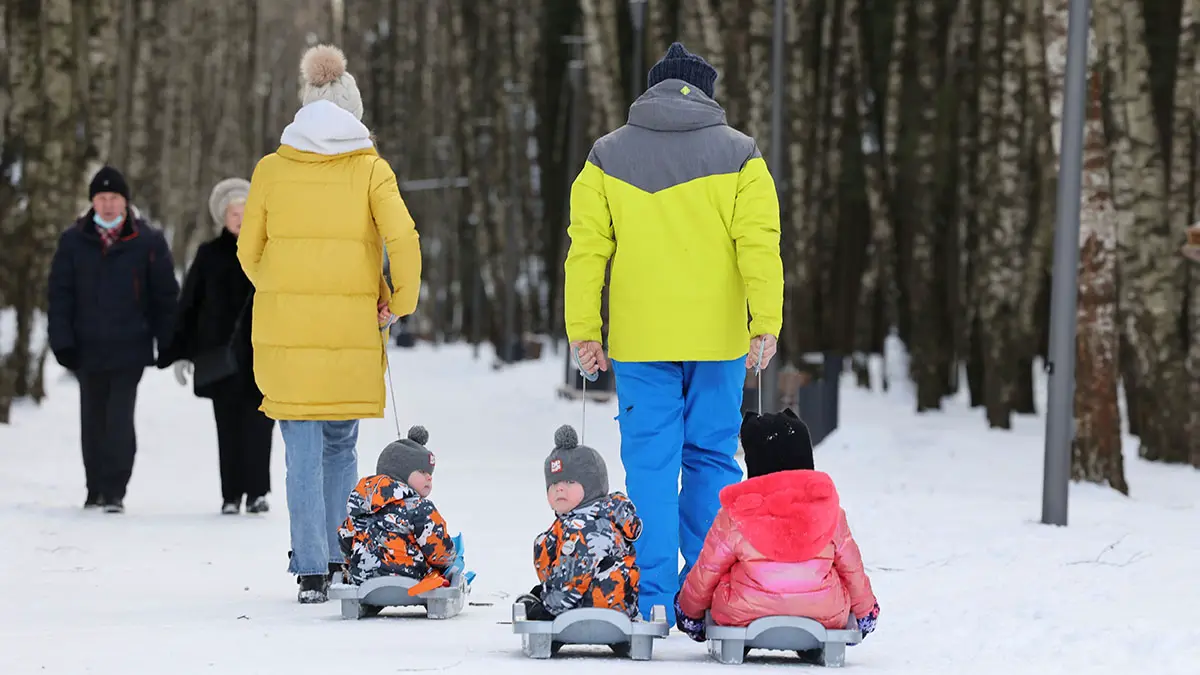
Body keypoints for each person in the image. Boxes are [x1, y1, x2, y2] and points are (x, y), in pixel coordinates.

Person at [562, 42, 784, 622]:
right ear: (705, 93)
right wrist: (766, 321)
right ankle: (706, 597)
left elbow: (586, 250)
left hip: (641, 341)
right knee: (712, 458)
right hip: (719, 341)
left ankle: (655, 598)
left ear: (652, 90)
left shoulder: (606, 156)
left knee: (652, 466)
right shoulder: (742, 155)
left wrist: (584, 328)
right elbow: (759, 245)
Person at [237, 44, 421, 603]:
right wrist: (399, 300)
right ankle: (342, 556)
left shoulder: (271, 168)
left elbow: (248, 250)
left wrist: (276, 287)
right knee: (341, 445)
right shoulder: (371, 168)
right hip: (350, 332)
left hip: (286, 333)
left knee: (300, 450)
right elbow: (403, 239)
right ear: (353, 111)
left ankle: (310, 569)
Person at [674, 409, 880, 653]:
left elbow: (708, 568)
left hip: (745, 612)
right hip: (822, 611)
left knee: (726, 575)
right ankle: (815, 641)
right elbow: (852, 568)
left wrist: (690, 613)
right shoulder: (829, 510)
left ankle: (740, 639)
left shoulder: (737, 513)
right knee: (835, 575)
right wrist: (866, 613)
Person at [46, 166, 179, 514]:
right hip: (87, 348)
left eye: (114, 198)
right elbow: (59, 295)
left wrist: (168, 341)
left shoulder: (147, 241)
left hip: (129, 348)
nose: (107, 205)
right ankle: (95, 488)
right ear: (92, 202)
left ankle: (115, 489)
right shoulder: (73, 240)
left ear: (125, 202)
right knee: (92, 420)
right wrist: (62, 341)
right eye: (101, 198)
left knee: (119, 420)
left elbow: (165, 296)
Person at [159, 178, 275, 515]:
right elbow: (189, 305)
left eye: (244, 211)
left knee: (259, 426)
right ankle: (230, 494)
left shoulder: (269, 252)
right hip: (219, 357)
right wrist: (180, 353)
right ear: (222, 217)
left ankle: (257, 492)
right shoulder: (209, 255)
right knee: (227, 426)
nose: (239, 218)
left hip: (262, 356)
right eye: (232, 212)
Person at [515, 425, 642, 623]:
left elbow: (575, 572)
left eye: (570, 482)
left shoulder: (586, 526)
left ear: (592, 486)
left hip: (598, 604)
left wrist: (549, 608)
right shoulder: (574, 521)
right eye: (553, 485)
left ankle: (557, 604)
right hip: (599, 600)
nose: (559, 490)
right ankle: (554, 597)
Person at [337, 426, 456, 598]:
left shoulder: (363, 505)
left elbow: (344, 536)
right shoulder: (420, 509)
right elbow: (438, 550)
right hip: (412, 581)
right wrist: (449, 563)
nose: (429, 477)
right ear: (400, 472)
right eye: (422, 472)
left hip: (364, 580)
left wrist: (352, 563)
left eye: (430, 474)